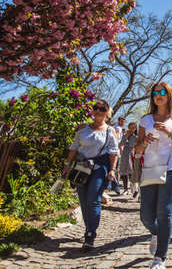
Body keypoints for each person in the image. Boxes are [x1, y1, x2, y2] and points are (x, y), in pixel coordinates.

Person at [134, 82, 172, 269]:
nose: (159, 95)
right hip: (151, 169)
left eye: (163, 92)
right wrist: (145, 141)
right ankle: (156, 233)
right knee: (146, 216)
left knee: (164, 211)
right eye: (155, 92)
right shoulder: (145, 119)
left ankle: (160, 259)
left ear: (169, 95)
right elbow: (137, 149)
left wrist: (169, 132)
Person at [63, 100, 119, 251]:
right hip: (81, 168)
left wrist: (112, 170)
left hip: (99, 169)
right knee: (83, 200)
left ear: (107, 112)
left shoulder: (110, 131)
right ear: (92, 110)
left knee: (94, 200)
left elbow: (114, 153)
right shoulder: (82, 129)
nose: (99, 111)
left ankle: (90, 234)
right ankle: (88, 227)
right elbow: (74, 148)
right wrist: (67, 165)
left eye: (102, 109)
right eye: (96, 108)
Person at [119, 122, 138, 195]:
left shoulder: (136, 137)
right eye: (130, 127)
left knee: (131, 172)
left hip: (131, 154)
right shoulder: (125, 135)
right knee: (123, 172)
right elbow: (120, 144)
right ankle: (125, 189)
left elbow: (137, 146)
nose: (131, 129)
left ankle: (134, 189)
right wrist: (126, 136)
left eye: (133, 128)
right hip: (124, 155)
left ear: (135, 128)